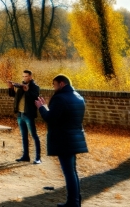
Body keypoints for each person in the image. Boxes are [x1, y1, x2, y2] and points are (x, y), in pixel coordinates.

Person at [36, 75, 87, 207]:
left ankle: (73, 202)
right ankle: (75, 201)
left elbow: (51, 118)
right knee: (72, 171)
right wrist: (47, 107)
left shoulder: (60, 98)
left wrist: (41, 107)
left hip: (64, 140)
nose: (53, 87)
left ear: (62, 83)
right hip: (75, 138)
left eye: (54, 84)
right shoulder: (78, 97)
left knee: (69, 172)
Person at [8, 69, 42, 164]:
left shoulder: (35, 87)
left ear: (30, 77)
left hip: (28, 114)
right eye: (23, 76)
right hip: (20, 114)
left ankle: (38, 158)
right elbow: (14, 96)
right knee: (24, 136)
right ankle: (25, 156)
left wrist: (27, 91)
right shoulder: (21, 86)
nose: (24, 78)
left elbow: (35, 98)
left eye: (26, 76)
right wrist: (11, 88)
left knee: (34, 135)